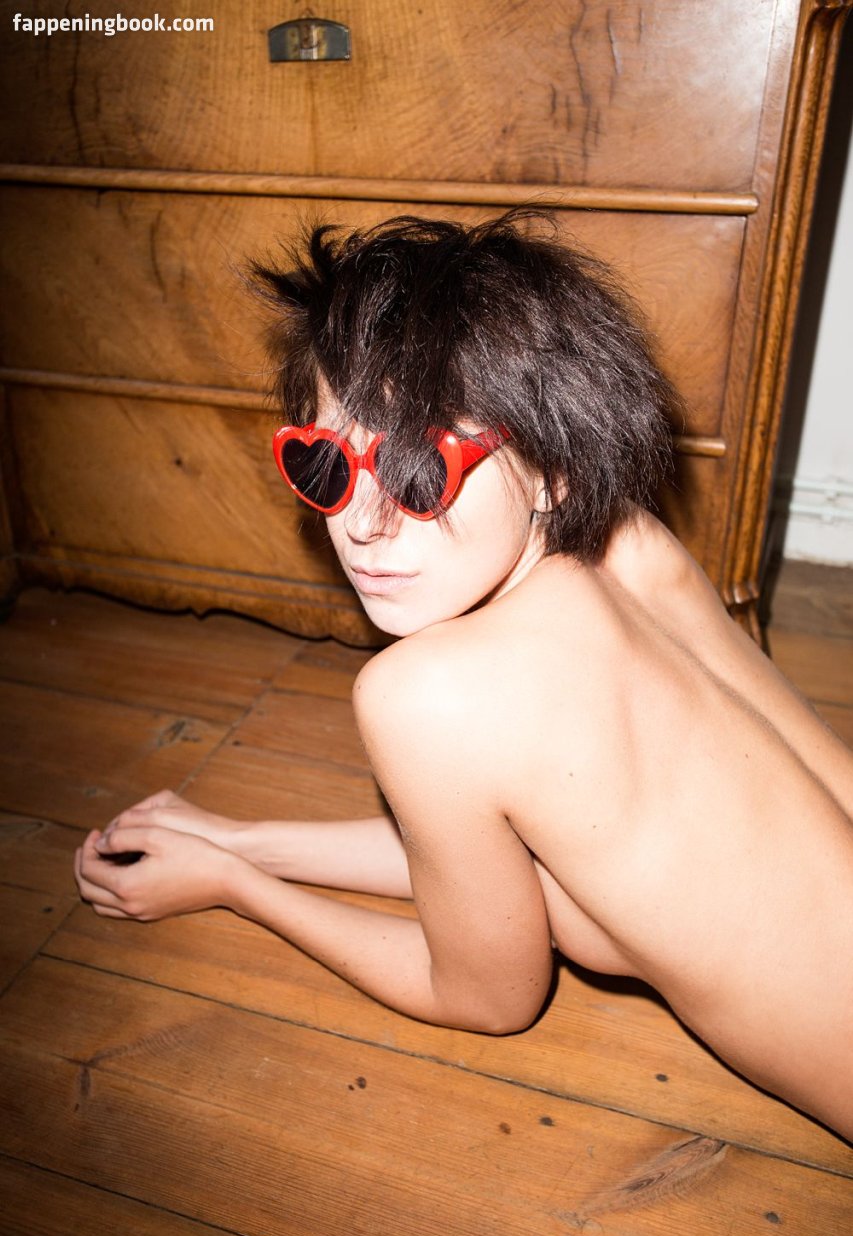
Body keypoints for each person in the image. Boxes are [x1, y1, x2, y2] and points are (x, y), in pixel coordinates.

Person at [74, 211, 853, 1140]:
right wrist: (240, 838)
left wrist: (235, 885)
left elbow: (484, 996)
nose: (361, 525)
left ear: (553, 471)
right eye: (324, 463)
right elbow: (499, 859)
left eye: (417, 472)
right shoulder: (629, 549)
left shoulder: (427, 696)